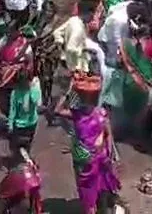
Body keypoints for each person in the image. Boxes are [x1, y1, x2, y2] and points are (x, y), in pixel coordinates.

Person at [53, 76, 119, 214]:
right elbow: (109, 138)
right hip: (99, 156)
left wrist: (67, 92)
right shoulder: (101, 114)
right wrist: (109, 155)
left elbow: (57, 110)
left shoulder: (77, 114)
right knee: (101, 187)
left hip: (83, 157)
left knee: (86, 189)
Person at [6, 67, 41, 155]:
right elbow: (13, 110)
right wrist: (10, 125)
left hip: (31, 123)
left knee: (27, 146)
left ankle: (26, 164)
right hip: (19, 125)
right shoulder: (15, 93)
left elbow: (37, 102)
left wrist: (32, 89)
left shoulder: (33, 90)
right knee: (17, 148)